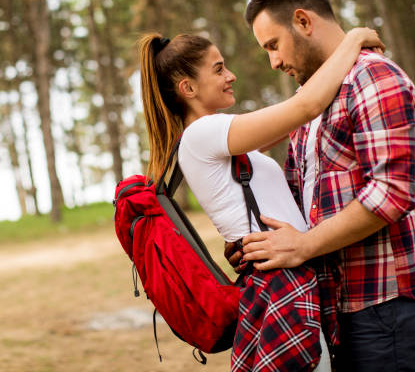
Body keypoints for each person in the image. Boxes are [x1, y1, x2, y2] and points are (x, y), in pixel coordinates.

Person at [226, 0, 415, 372]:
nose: (273, 61)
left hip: (386, 304)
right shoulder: (309, 103)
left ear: (304, 21)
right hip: (336, 307)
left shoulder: (374, 77)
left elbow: (391, 193)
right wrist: (264, 245)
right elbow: (299, 201)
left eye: (273, 45)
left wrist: (303, 246)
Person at [139, 26, 382, 371]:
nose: (231, 76)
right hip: (281, 283)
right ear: (188, 88)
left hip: (285, 275)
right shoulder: (202, 134)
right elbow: (306, 105)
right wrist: (353, 39)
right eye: (219, 68)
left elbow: (298, 118)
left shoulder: (220, 140)